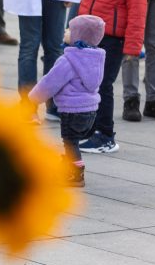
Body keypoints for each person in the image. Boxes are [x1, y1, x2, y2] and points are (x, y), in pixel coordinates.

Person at [61, 0, 147, 154]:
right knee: (88, 84)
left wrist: (132, 45)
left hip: (113, 37)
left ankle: (106, 135)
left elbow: (138, 7)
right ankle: (90, 130)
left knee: (103, 85)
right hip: (89, 33)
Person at [28, 15, 106, 188]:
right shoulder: (96, 58)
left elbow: (50, 83)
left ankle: (76, 175)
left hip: (72, 111)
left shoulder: (68, 60)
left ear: (79, 36)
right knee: (73, 141)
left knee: (70, 142)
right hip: (91, 110)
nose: (65, 31)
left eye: (70, 29)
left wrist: (33, 98)